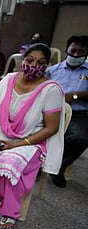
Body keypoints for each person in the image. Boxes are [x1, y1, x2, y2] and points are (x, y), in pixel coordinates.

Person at [0, 43, 65, 229]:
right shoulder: (8, 80)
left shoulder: (51, 90)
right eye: (29, 60)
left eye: (40, 62)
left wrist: (16, 144)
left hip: (33, 141)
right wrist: (2, 138)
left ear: (47, 66)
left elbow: (52, 128)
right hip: (4, 133)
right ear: (22, 60)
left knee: (10, 162)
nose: (33, 65)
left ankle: (10, 211)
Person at [46, 35, 88, 188]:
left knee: (80, 137)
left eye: (81, 52)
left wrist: (76, 95)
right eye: (73, 51)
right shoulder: (52, 71)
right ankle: (38, 163)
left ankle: (58, 168)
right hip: (53, 111)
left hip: (79, 113)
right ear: (66, 51)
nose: (76, 55)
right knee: (35, 130)